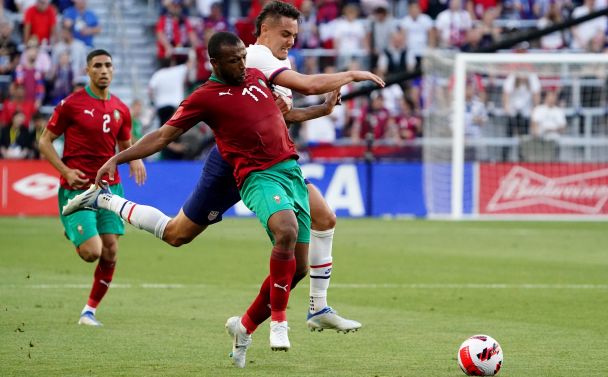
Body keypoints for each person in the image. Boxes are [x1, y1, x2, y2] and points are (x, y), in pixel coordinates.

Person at [63, 32, 318, 368]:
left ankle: (245, 327)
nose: (243, 64)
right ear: (214, 63)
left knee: (298, 268)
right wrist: (119, 157)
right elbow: (164, 135)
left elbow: (280, 116)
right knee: (178, 235)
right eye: (234, 60)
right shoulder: (205, 97)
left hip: (276, 169)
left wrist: (321, 109)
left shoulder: (256, 78)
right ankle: (105, 200)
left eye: (244, 56)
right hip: (238, 171)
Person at [38, 49, 147, 327]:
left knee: (110, 250)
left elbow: (125, 145)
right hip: (78, 189)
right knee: (92, 252)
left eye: (108, 65)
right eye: (97, 65)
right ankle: (72, 224)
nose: (103, 70)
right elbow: (44, 142)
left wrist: (135, 159)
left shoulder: (121, 108)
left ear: (113, 69)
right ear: (87, 70)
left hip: (110, 189)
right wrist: (64, 170)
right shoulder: (71, 104)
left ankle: (89, 312)